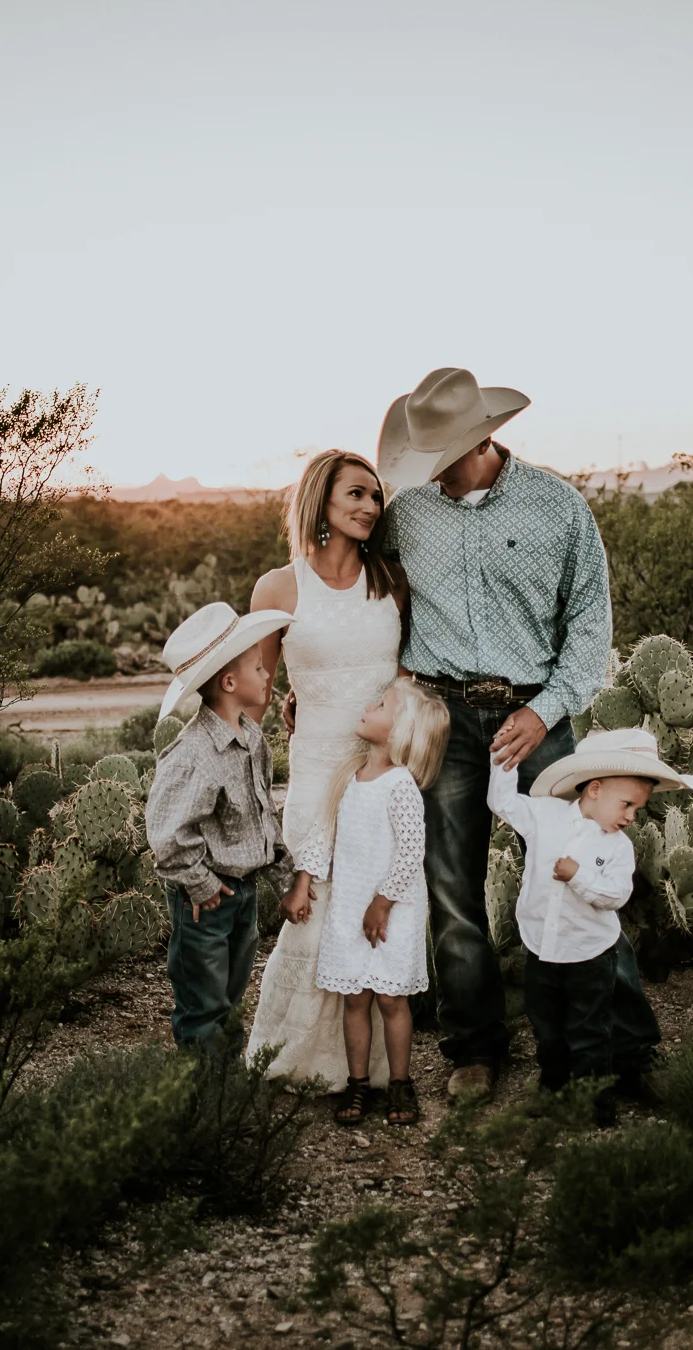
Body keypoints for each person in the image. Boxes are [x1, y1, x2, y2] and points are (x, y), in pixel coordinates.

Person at [375, 366, 658, 1101]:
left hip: (538, 718)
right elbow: (364, 596)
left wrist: (546, 708)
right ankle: (473, 1046)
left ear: (478, 439)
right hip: (443, 717)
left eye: (438, 452)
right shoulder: (405, 516)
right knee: (453, 887)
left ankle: (615, 1047)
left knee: (581, 866)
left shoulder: (558, 507)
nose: (425, 469)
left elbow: (590, 622)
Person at [243, 450, 407, 1090]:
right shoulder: (278, 587)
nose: (370, 506)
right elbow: (257, 689)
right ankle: (297, 1058)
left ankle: (363, 1067)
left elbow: (407, 679)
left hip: (378, 771)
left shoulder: (391, 581)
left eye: (375, 497)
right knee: (318, 907)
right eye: (356, 495)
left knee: (370, 906)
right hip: (313, 770)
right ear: (322, 501)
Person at [487, 729, 693, 1124]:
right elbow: (500, 802)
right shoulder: (544, 815)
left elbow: (615, 897)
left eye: (636, 809)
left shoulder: (619, 848)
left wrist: (578, 876)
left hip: (588, 956)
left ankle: (596, 1107)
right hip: (541, 949)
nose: (630, 816)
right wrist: (504, 758)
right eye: (627, 805)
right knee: (547, 1031)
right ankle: (553, 1094)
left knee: (589, 1032)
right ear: (595, 790)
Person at [297, 678, 450, 1125]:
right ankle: (358, 1083)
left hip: (392, 907)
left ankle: (400, 1083)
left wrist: (383, 901)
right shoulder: (351, 775)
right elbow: (327, 832)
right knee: (355, 999)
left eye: (380, 704)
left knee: (391, 1001)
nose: (368, 705)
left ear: (400, 730)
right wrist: (305, 877)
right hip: (350, 903)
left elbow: (410, 849)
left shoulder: (400, 784)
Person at [145, 600, 294, 1050]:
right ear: (230, 682)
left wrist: (285, 877)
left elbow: (262, 817)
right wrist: (200, 883)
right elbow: (168, 833)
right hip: (205, 902)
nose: (268, 671)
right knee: (203, 1006)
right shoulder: (194, 752)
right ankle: (206, 1103)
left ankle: (226, 1093)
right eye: (257, 666)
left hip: (242, 895)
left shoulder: (251, 739)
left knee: (229, 1001)